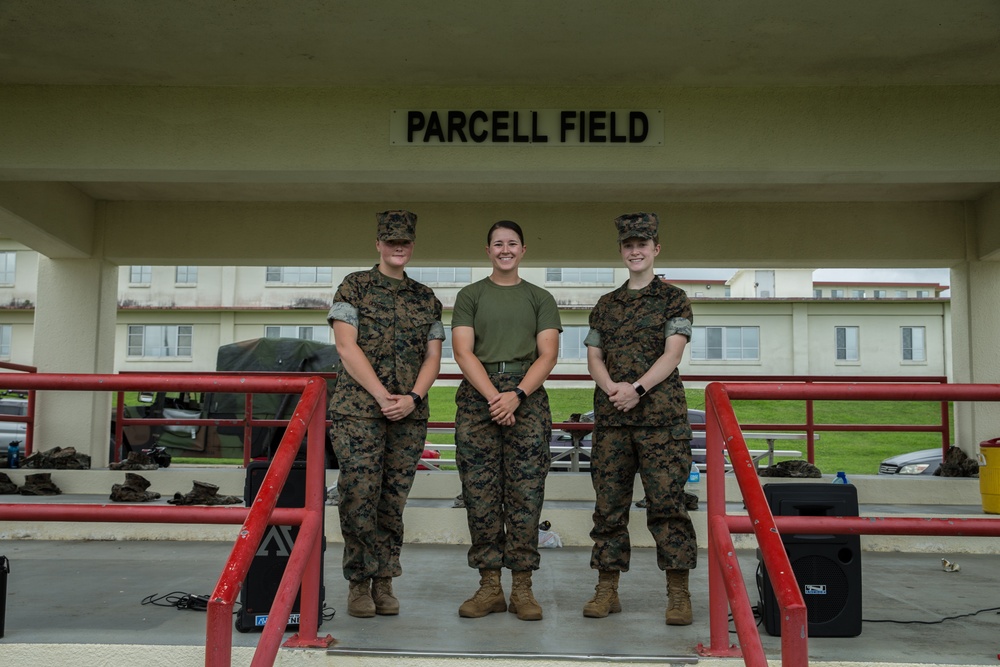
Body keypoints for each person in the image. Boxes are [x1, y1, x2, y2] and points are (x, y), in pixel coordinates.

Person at [327, 210, 444, 618]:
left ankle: (384, 581)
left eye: (405, 241)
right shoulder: (354, 286)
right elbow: (346, 347)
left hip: (408, 414)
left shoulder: (425, 297)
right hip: (359, 413)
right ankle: (358, 583)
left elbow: (433, 356)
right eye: (390, 240)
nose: (398, 247)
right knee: (359, 495)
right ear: (378, 243)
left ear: (412, 245)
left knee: (392, 500)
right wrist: (382, 395)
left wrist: (411, 396)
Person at [582, 211, 698, 626]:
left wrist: (637, 389)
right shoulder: (606, 305)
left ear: (655, 249)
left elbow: (673, 353)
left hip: (661, 421)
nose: (635, 251)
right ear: (621, 251)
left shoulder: (673, 298)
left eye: (642, 245)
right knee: (608, 508)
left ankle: (678, 593)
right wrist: (614, 387)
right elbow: (594, 357)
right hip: (613, 422)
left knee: (668, 507)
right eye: (628, 245)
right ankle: (606, 589)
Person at [451, 220, 562, 621]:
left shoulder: (540, 297)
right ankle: (489, 587)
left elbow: (547, 354)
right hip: (479, 395)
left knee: (525, 494)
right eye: (497, 243)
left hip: (526, 396)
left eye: (512, 243)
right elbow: (463, 352)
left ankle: (522, 588)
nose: (505, 249)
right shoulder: (471, 295)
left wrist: (516, 395)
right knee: (480, 495)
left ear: (523, 249)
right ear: (488, 251)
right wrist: (493, 397)